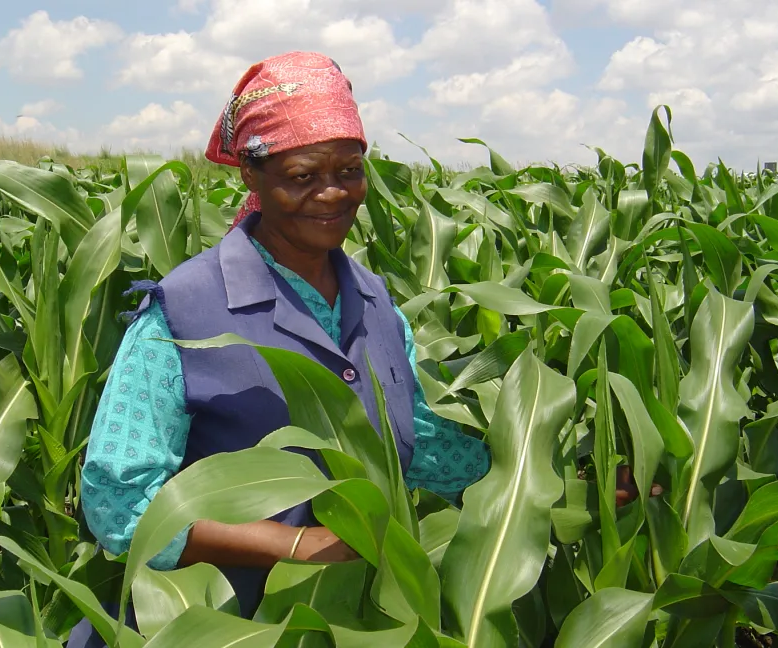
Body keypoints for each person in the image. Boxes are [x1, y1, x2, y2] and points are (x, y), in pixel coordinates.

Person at [68, 51, 649, 646]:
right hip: (214, 626)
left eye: (349, 170)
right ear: (252, 175)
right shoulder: (184, 312)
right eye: (302, 176)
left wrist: (573, 487)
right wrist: (295, 546)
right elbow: (120, 505)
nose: (331, 193)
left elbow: (418, 444)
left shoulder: (374, 302)